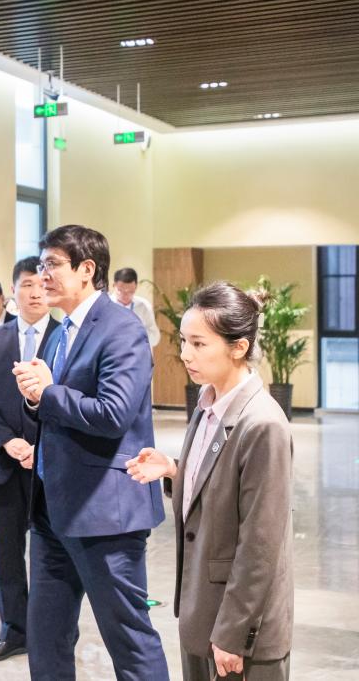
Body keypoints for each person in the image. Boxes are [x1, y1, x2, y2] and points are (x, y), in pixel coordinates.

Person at [13, 225, 168, 680]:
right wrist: (35, 398)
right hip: (51, 509)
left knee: (128, 639)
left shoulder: (122, 328)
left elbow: (114, 413)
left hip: (105, 512)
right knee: (46, 639)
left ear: (87, 269)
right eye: (41, 265)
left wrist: (48, 393)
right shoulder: (60, 332)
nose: (43, 275)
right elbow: (53, 404)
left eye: (53, 265)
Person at [126, 282, 293, 681]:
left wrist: (233, 633)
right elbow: (220, 483)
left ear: (239, 347)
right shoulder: (207, 404)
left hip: (240, 631)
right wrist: (175, 469)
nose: (186, 354)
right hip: (203, 611)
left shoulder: (263, 424)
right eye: (184, 341)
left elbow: (260, 543)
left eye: (199, 344)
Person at [0, 256, 59, 663]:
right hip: (2, 465)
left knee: (52, 553)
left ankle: (51, 629)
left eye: (42, 284)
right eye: (27, 285)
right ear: (13, 292)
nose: (36, 292)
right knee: (6, 554)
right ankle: (14, 630)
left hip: (51, 465)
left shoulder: (65, 337)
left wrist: (41, 446)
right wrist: (7, 441)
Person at [111, 267, 161, 347]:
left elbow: (155, 338)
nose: (125, 295)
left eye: (130, 291)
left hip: (137, 352)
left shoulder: (144, 306)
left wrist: (137, 332)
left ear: (136, 287)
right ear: (114, 285)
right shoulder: (105, 305)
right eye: (121, 291)